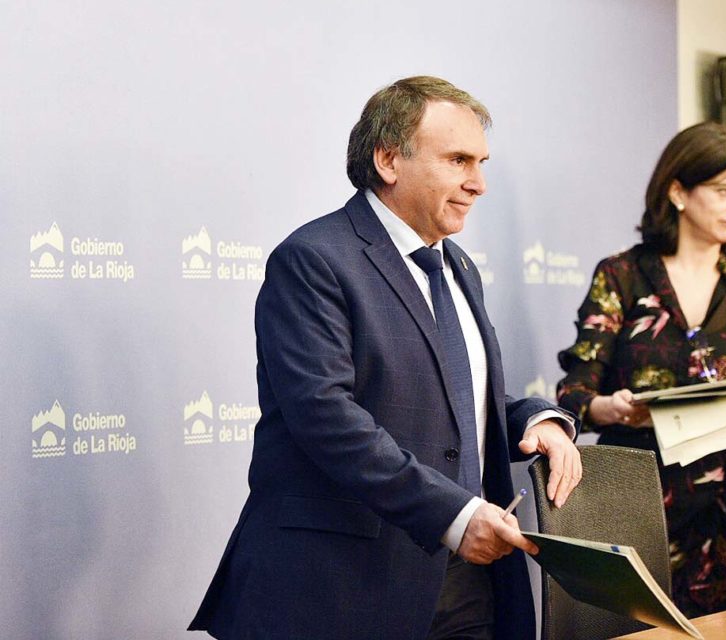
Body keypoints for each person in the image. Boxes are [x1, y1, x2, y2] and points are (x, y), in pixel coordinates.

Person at [189, 76, 582, 640]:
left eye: (482, 162)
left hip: (465, 581)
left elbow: (457, 390)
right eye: (458, 160)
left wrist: (535, 418)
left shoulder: (458, 266)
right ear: (389, 159)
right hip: (341, 588)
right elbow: (327, 418)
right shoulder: (314, 259)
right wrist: (453, 515)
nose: (479, 183)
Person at [556, 121, 726, 617]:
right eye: (723, 191)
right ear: (677, 191)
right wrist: (608, 408)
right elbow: (573, 393)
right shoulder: (621, 276)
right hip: (638, 494)